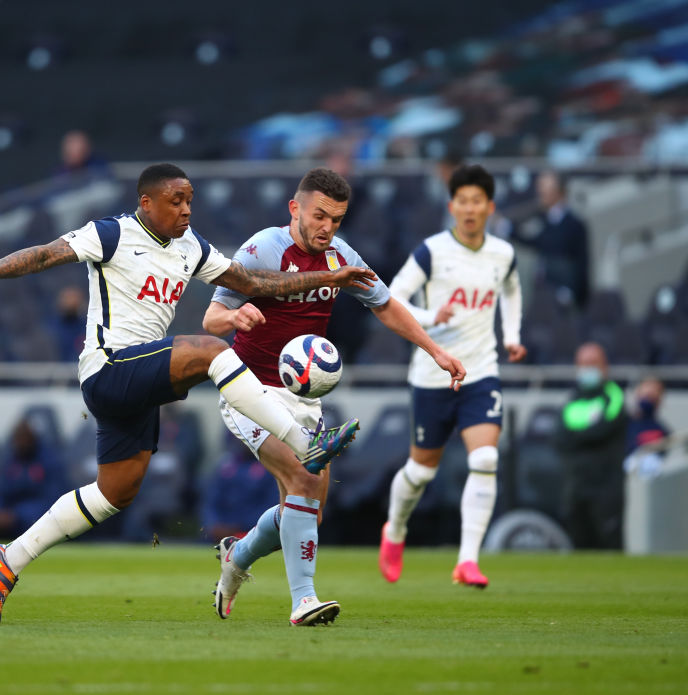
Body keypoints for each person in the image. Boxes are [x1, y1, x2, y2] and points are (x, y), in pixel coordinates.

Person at [0, 163, 424, 624]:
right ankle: (306, 445)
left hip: (142, 383)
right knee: (213, 350)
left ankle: (9, 557)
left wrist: (328, 277)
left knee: (115, 493)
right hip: (109, 367)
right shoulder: (111, 233)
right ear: (146, 203)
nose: (187, 210)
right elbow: (48, 253)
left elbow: (254, 282)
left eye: (191, 201)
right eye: (176, 201)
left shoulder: (191, 247)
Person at [202, 168, 467, 625]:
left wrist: (436, 350)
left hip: (303, 398)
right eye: (319, 215)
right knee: (304, 481)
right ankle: (304, 600)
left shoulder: (340, 256)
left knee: (305, 511)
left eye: (337, 220)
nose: (327, 227)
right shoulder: (262, 248)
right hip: (249, 388)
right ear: (295, 208)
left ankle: (237, 558)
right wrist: (237, 316)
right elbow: (211, 318)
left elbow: (384, 305)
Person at [379, 163, 525, 589]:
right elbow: (392, 296)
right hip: (432, 372)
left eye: (477, 201)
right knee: (422, 471)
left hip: (481, 372)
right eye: (462, 201)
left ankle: (467, 560)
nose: (469, 209)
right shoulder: (432, 251)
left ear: (489, 207)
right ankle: (395, 530)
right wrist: (430, 317)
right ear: (452, 206)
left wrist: (512, 335)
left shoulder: (503, 254)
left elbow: (512, 289)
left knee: (485, 458)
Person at [555, 342, 627, 549]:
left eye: (593, 363)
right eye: (584, 364)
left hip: (606, 488)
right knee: (579, 546)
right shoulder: (572, 400)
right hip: (576, 486)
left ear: (605, 366)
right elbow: (560, 438)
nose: (588, 369)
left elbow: (603, 430)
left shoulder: (614, 396)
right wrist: (586, 434)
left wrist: (578, 436)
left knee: (609, 545)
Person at [510, 170, 589, 308]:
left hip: (563, 295)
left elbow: (581, 262)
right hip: (542, 291)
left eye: (545, 189)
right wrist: (508, 229)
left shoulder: (574, 224)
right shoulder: (544, 219)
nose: (541, 194)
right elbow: (535, 242)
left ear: (559, 191)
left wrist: (571, 291)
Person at [0, 418, 68, 538]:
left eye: (24, 438)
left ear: (33, 439)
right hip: (10, 514)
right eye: (18, 438)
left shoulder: (49, 461)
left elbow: (53, 499)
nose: (21, 442)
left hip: (34, 516)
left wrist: (17, 515)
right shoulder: (10, 461)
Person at [200, 435, 279, 543]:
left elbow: (272, 505)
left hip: (252, 533)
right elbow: (211, 501)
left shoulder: (269, 468)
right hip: (219, 533)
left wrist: (239, 527)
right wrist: (213, 524)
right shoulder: (225, 465)